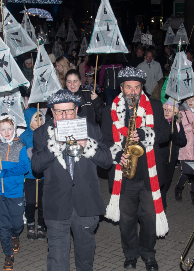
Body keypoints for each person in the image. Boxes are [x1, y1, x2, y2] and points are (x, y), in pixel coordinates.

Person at [31, 89, 112, 271]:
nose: (65, 116)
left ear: (76, 109)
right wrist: (55, 145)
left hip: (86, 203)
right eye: (59, 111)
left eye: (68, 110)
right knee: (58, 261)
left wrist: (87, 144)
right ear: (52, 111)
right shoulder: (42, 133)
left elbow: (107, 162)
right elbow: (36, 166)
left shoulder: (91, 128)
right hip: (57, 204)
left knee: (85, 260)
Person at [101, 67, 170, 270]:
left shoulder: (156, 107)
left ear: (142, 88)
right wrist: (115, 154)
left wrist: (144, 132)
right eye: (128, 87)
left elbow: (165, 134)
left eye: (137, 87)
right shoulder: (108, 111)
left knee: (149, 218)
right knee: (127, 219)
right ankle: (130, 254)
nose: (133, 92)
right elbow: (104, 140)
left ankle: (148, 253)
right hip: (123, 176)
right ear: (121, 88)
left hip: (149, 176)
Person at [0, 115, 30, 271]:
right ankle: (8, 255)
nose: (6, 132)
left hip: (15, 191)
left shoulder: (20, 146)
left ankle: (15, 235)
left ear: (14, 129)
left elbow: (25, 168)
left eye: (9, 129)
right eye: (2, 129)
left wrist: (6, 172)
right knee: (2, 224)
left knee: (16, 224)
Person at [156, 98, 186, 208]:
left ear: (175, 112)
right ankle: (160, 205)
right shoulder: (159, 122)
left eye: (170, 110)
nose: (166, 112)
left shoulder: (177, 125)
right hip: (159, 157)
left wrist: (174, 137)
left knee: (167, 182)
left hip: (171, 158)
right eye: (165, 109)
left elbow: (183, 142)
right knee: (161, 181)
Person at [21, 108, 46, 240]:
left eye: (41, 118)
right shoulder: (24, 137)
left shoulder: (46, 134)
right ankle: (30, 223)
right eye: (36, 119)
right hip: (29, 175)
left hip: (43, 175)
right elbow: (21, 155)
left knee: (43, 202)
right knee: (30, 202)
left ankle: (41, 225)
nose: (40, 121)